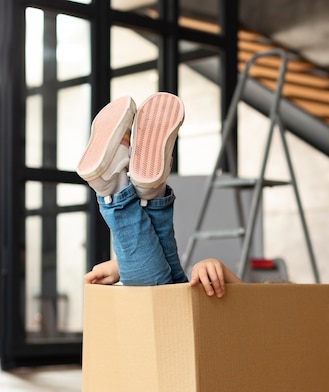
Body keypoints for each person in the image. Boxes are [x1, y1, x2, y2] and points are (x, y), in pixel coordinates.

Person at [77, 92, 241, 298]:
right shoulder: (278, 318)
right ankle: (116, 190)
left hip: (185, 306)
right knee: (162, 293)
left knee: (170, 282)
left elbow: (259, 305)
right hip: (183, 323)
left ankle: (151, 194)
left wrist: (123, 265)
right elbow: (259, 309)